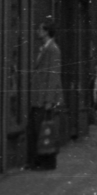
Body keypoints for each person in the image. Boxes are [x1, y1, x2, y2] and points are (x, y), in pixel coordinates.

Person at [29, 21, 63, 169]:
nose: (37, 31)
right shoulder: (44, 48)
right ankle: (38, 161)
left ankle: (47, 162)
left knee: (44, 130)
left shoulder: (53, 50)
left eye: (40, 29)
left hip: (44, 98)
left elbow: (54, 76)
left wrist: (49, 100)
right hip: (39, 96)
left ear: (47, 32)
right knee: (38, 129)